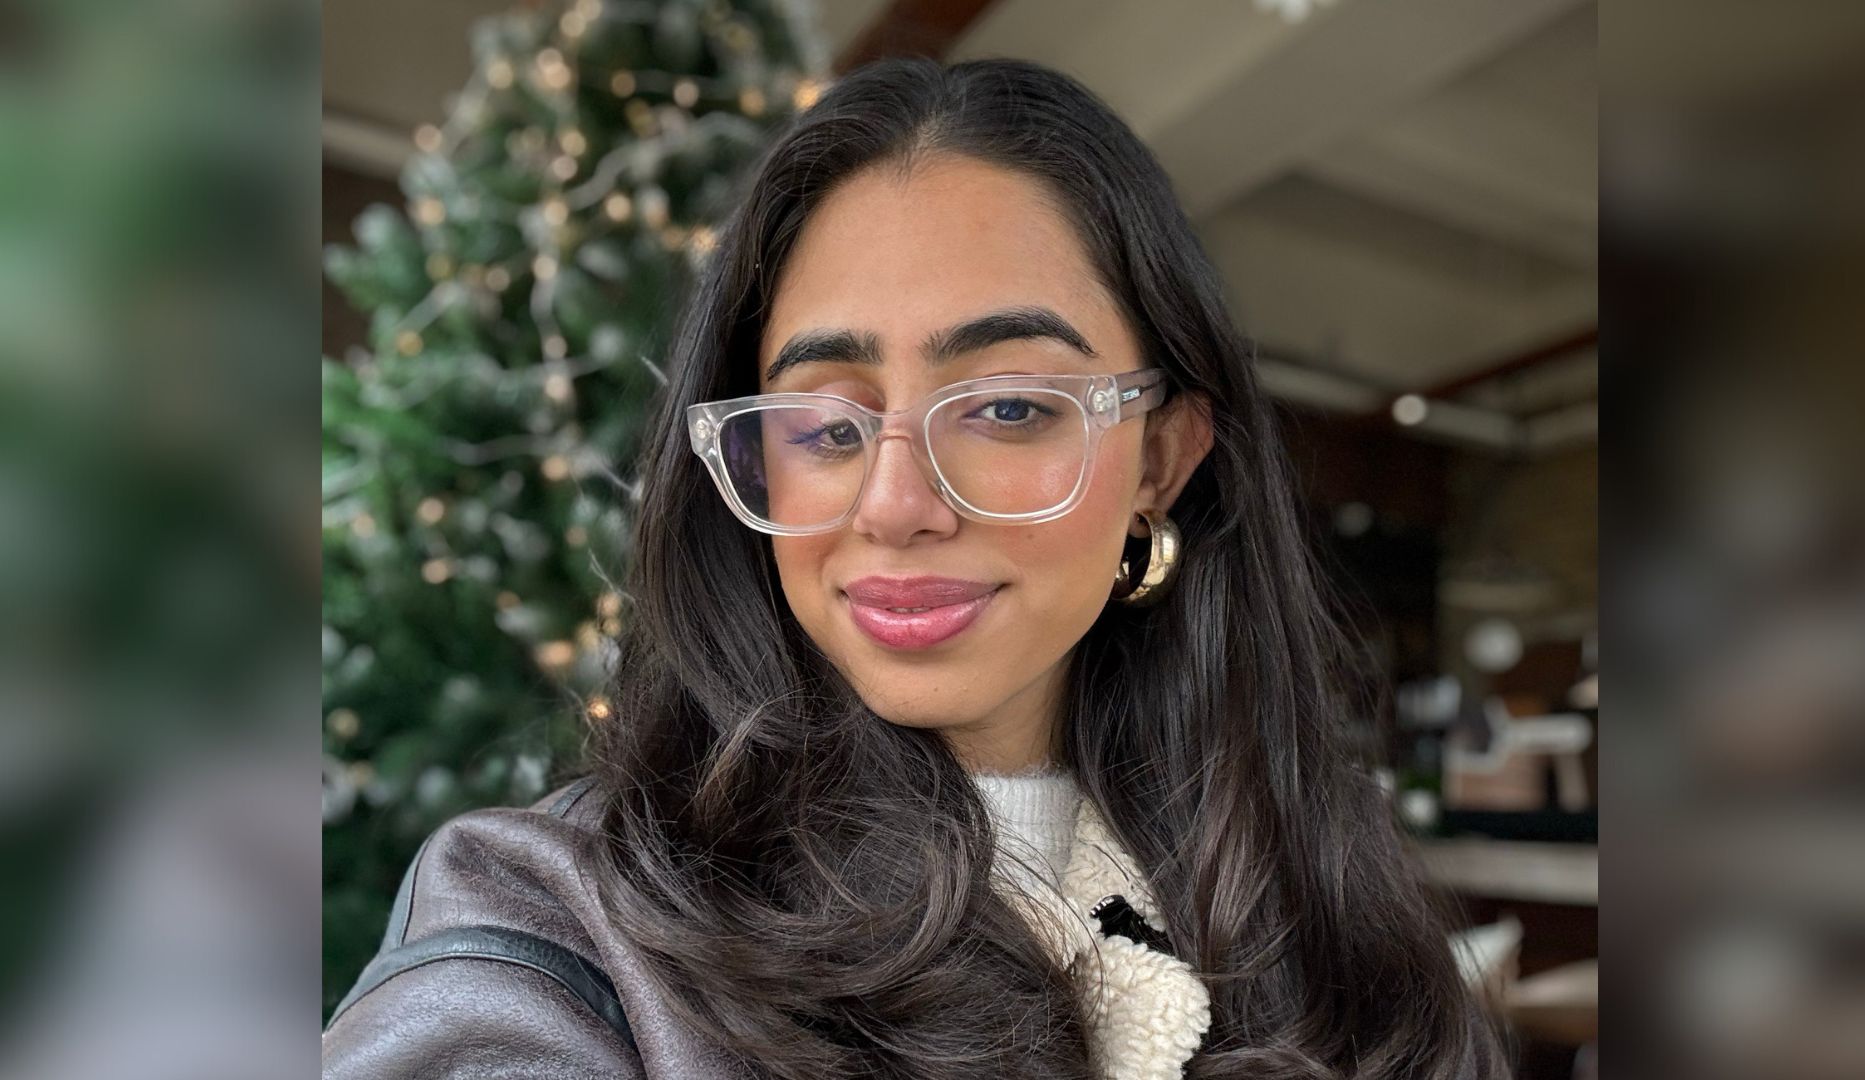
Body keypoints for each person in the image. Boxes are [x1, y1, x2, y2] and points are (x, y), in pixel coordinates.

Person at [322, 56, 1509, 1079]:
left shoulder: (1321, 907)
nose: (894, 508)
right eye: (825, 425)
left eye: (1003, 407)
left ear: (1162, 456)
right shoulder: (555, 919)